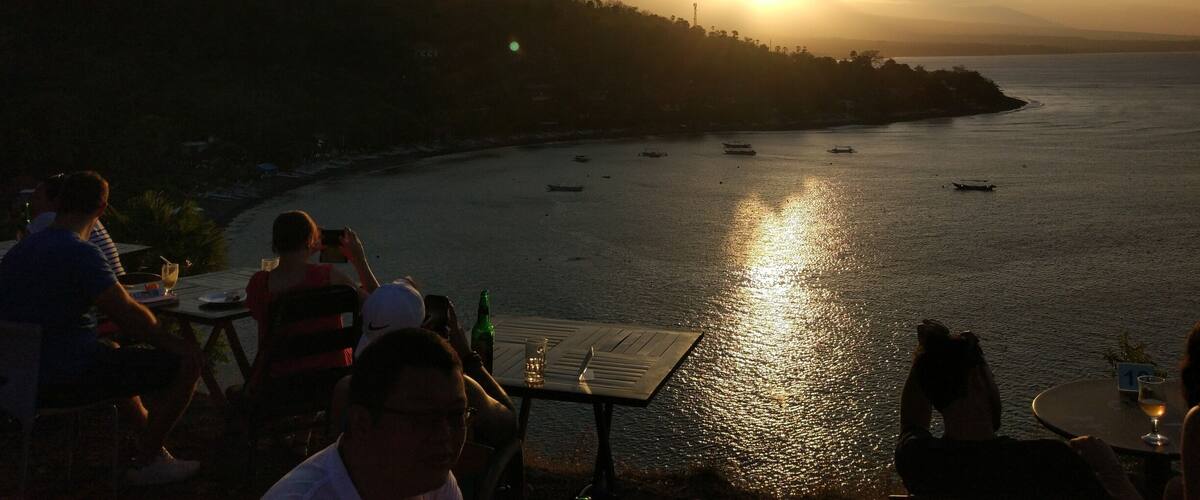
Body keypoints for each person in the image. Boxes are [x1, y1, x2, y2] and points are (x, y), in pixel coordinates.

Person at [0, 171, 202, 485]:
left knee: (112, 351)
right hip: (65, 379)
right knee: (188, 361)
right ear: (102, 208)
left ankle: (152, 450)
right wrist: (172, 342)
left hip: (15, 382)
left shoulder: (19, 252)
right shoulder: (81, 252)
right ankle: (148, 461)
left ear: (60, 203)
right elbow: (129, 317)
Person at [896, 319, 1140, 499]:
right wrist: (1112, 470)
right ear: (977, 381)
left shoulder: (919, 460)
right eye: (991, 374)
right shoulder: (1048, 461)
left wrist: (928, 354)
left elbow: (912, 422)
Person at [263, 328, 468, 500]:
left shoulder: (427, 476)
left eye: (457, 414)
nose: (445, 433)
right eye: (423, 417)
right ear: (361, 424)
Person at [332, 282, 516, 448]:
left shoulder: (346, 389)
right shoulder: (451, 388)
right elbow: (509, 423)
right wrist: (467, 357)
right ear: (426, 329)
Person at [244, 210, 380, 384]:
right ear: (309, 241)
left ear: (275, 244)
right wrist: (359, 259)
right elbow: (378, 306)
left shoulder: (259, 284)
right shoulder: (328, 276)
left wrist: (305, 250)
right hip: (331, 376)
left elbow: (259, 309)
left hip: (278, 381)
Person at [24, 172, 125, 276]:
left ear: (57, 201)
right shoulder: (88, 216)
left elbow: (26, 249)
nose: (31, 203)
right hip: (119, 280)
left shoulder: (47, 219)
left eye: (37, 198)